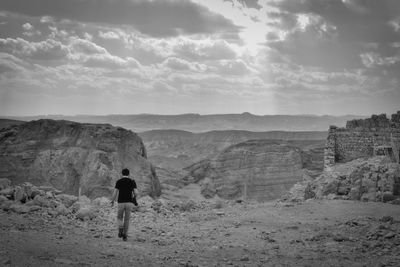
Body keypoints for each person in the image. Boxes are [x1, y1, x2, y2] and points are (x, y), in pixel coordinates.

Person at [110, 168, 138, 241]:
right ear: (128, 174)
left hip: (120, 202)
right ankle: (125, 235)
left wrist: (112, 200)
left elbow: (115, 192)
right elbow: (136, 193)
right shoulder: (132, 182)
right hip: (129, 202)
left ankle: (120, 228)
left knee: (119, 217)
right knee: (127, 219)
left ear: (122, 174)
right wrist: (134, 197)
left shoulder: (119, 181)